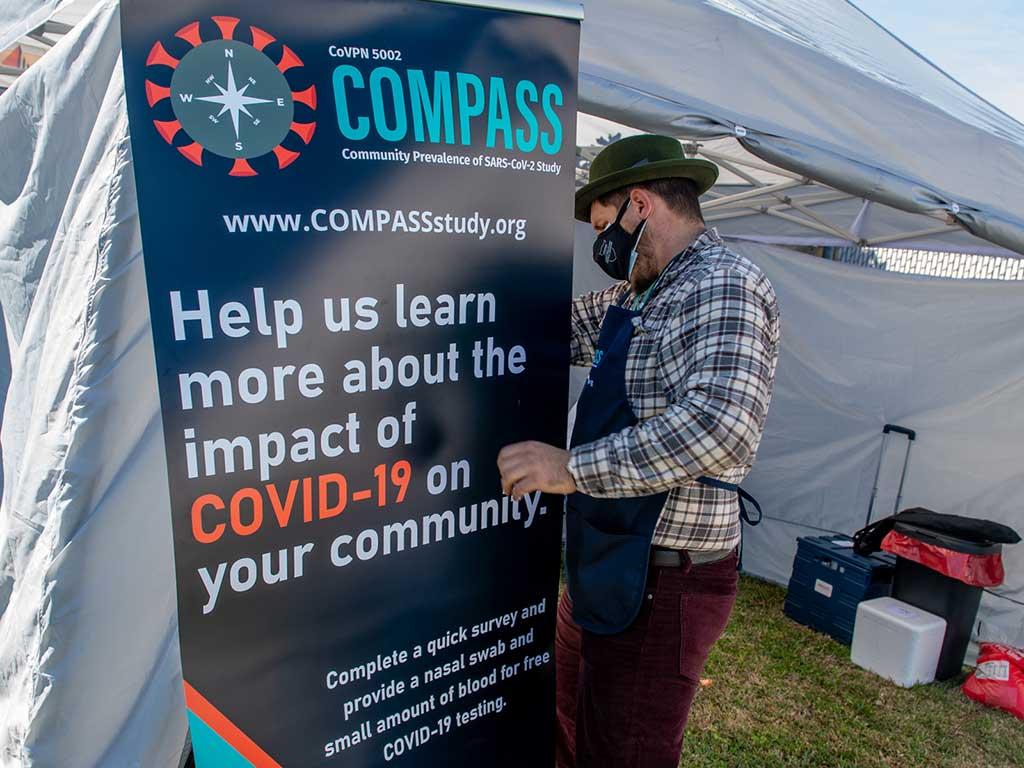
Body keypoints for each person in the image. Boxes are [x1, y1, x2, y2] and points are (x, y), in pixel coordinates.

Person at [496, 134, 780, 768]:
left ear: (641, 206)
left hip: (665, 578)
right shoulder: (639, 291)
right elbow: (556, 329)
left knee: (625, 751)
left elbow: (720, 427)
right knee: (568, 721)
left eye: (606, 226)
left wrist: (568, 468)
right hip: (608, 561)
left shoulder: (722, 285)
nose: (605, 246)